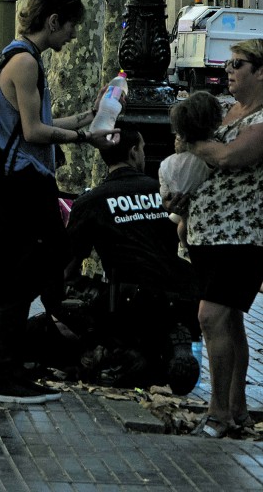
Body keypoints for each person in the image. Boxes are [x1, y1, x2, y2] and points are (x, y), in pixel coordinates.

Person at [0, 0, 118, 405]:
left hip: (23, 182)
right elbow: (34, 133)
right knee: (29, 274)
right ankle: (0, 373)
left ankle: (9, 368)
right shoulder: (26, 63)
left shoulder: (17, 55)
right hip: (24, 184)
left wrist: (83, 119)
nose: (73, 36)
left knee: (32, 272)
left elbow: (30, 122)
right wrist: (84, 137)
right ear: (53, 21)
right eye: (71, 26)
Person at [176, 38, 263, 437]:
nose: (228, 70)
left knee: (210, 317)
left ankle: (218, 413)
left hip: (245, 234)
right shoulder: (226, 110)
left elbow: (230, 157)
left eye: (237, 64)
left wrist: (193, 144)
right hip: (207, 232)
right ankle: (237, 409)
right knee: (230, 320)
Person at [65, 128, 201, 395]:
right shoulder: (163, 192)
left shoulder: (91, 201)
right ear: (133, 152)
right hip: (178, 293)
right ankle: (172, 341)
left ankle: (114, 349)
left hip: (126, 300)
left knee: (71, 292)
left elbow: (68, 264)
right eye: (143, 148)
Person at [160, 91, 220, 245]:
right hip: (207, 228)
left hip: (182, 205)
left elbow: (166, 196)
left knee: (183, 222)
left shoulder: (167, 163)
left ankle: (184, 245)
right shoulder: (211, 155)